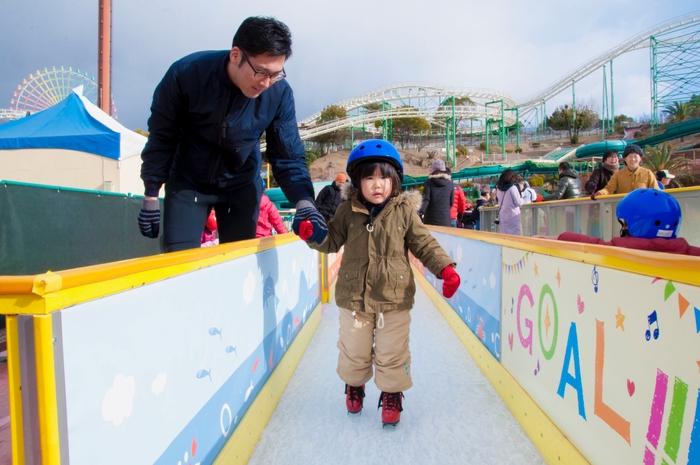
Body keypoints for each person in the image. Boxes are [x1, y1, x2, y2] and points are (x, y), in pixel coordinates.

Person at [296, 139, 461, 426]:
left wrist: (445, 269)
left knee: (392, 350)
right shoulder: (347, 210)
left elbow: (424, 243)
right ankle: (355, 384)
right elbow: (332, 240)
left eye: (384, 177)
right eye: (369, 177)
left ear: (395, 180)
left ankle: (391, 392)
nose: (377, 184)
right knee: (354, 348)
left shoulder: (404, 212)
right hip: (354, 297)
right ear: (357, 181)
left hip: (393, 297)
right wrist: (313, 234)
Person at [137, 16, 326, 252]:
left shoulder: (279, 93)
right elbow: (162, 136)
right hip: (189, 181)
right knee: (179, 264)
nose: (267, 83)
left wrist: (304, 201)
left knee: (238, 264)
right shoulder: (185, 74)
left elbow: (287, 155)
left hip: (241, 184)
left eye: (276, 73)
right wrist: (151, 194)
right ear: (235, 55)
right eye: (261, 72)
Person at [554, 189, 700, 256]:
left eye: (624, 223)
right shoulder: (689, 253)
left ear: (635, 224)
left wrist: (558, 237)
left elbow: (593, 245)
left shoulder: (618, 250)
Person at [592, 144, 658, 199]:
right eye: (630, 157)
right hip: (626, 207)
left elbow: (655, 191)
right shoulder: (618, 174)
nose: (633, 159)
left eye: (635, 156)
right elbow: (609, 189)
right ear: (624, 159)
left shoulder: (648, 173)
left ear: (640, 158)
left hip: (644, 208)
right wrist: (600, 193)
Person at [420, 159, 454, 226]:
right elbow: (451, 202)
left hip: (430, 221)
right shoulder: (450, 184)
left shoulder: (429, 183)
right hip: (445, 220)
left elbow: (425, 200)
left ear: (433, 170)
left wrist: (420, 213)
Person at [495, 169, 524, 235]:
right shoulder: (512, 188)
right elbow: (518, 202)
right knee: (516, 237)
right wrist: (522, 198)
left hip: (503, 216)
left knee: (505, 236)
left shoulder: (499, 188)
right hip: (513, 216)